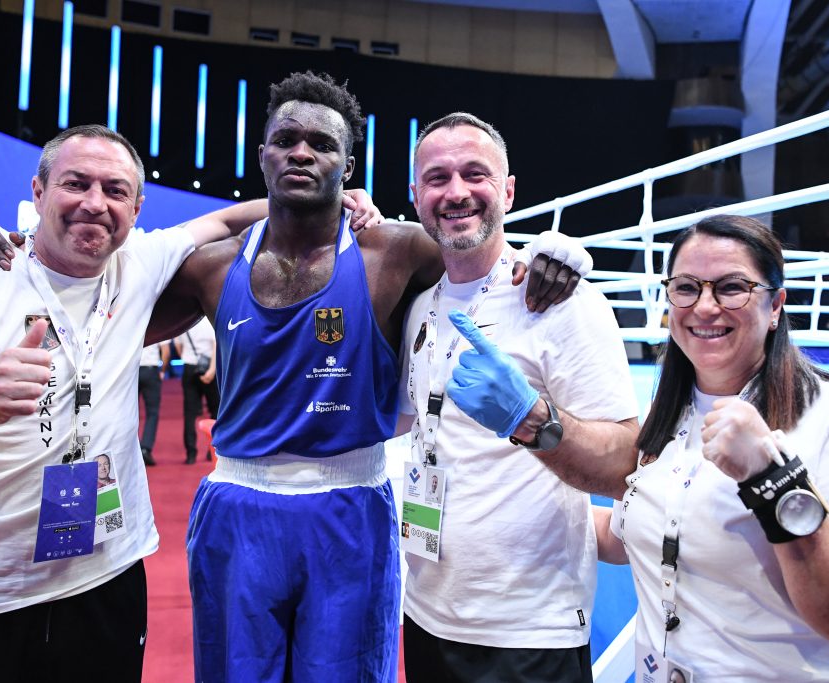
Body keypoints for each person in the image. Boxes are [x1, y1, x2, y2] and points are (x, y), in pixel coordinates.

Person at [145, 74, 584, 683]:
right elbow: (111, 313)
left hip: (350, 508)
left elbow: (483, 254)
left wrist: (550, 254)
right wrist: (16, 260)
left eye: (322, 145)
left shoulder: (395, 252)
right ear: (263, 154)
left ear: (348, 166)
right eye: (286, 141)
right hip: (237, 504)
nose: (302, 153)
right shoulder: (213, 267)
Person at [0, 123, 323, 683]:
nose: (95, 204)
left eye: (115, 190)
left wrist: (337, 200)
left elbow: (229, 221)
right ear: (38, 192)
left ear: (136, 208)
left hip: (107, 583)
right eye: (76, 184)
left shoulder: (138, 266)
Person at [397, 112, 639, 683]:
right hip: (426, 610)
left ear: (507, 191)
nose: (456, 192)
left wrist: (534, 420)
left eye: (474, 174)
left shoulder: (560, 302)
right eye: (437, 178)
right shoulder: (419, 307)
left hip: (529, 628)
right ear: (415, 195)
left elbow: (626, 464)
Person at [595, 215, 829, 681]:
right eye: (687, 287)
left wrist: (772, 479)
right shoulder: (666, 414)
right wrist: (518, 451)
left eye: (732, 288)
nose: (705, 306)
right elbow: (624, 536)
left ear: (775, 307)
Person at [174, 319, 219, 464]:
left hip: (189, 368)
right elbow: (216, 345)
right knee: (215, 411)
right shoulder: (210, 320)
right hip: (209, 368)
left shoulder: (185, 321)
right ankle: (213, 450)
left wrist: (189, 358)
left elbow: (178, 345)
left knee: (190, 413)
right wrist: (212, 370)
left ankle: (191, 454)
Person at [138, 341, 169, 466]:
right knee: (152, 412)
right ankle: (145, 448)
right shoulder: (156, 327)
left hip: (132, 371)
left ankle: (131, 450)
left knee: (129, 412)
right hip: (151, 370)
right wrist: (162, 370)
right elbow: (166, 351)